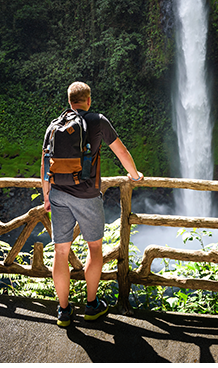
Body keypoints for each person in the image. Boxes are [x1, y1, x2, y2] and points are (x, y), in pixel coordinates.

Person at [41, 81, 143, 327]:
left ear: (69, 102)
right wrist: (135, 175)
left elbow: (45, 164)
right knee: (95, 248)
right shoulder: (97, 121)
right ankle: (91, 305)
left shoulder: (54, 125)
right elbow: (121, 151)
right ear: (88, 100)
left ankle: (64, 312)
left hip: (58, 194)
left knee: (60, 252)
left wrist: (46, 196)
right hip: (86, 194)